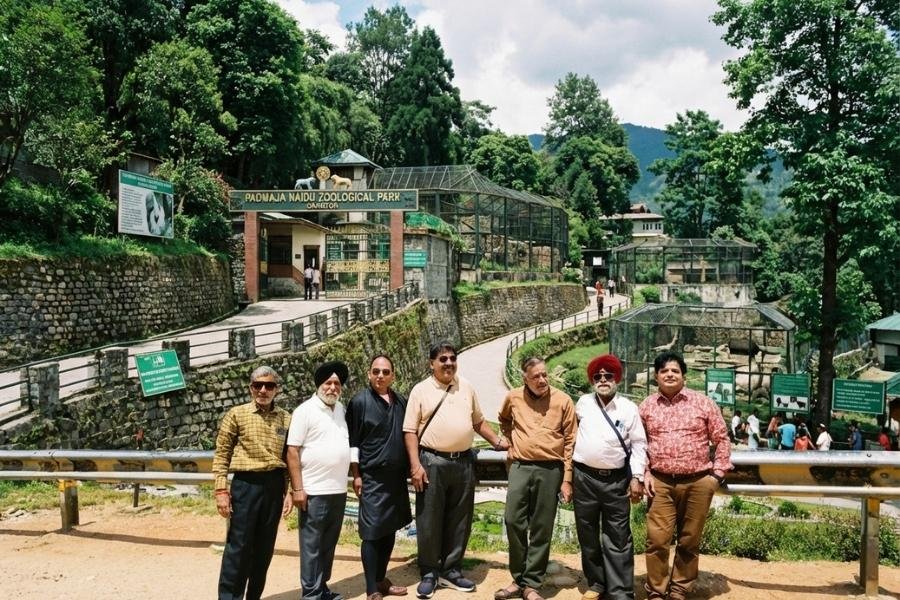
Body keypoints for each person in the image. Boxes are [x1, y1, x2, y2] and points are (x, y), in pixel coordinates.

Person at [403, 341, 507, 599]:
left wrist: (497, 442)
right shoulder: (420, 390)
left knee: (460, 519)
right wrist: (416, 465)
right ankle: (429, 571)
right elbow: (410, 431)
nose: (449, 363)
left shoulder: (466, 386)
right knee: (429, 518)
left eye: (452, 358)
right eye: (443, 359)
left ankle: (451, 569)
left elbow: (478, 421)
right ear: (432, 363)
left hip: (463, 462)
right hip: (432, 462)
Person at [639, 351, 732, 600]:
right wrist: (644, 472)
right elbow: (639, 444)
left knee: (689, 540)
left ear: (683, 376)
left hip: (698, 481)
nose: (670, 374)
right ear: (656, 376)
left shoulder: (702, 403)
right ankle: (657, 590)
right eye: (664, 371)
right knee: (657, 540)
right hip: (659, 481)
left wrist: (717, 474)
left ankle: (680, 589)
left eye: (675, 371)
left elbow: (722, 438)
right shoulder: (647, 406)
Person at [494, 357, 577, 600]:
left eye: (544, 375)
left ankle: (531, 584)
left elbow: (571, 440)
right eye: (536, 376)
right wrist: (509, 441)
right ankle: (518, 578)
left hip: (551, 470)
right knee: (513, 521)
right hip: (520, 466)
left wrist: (567, 478)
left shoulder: (563, 400)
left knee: (542, 527)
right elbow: (504, 419)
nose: (542, 380)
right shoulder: (514, 397)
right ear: (525, 379)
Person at [213, 366, 293, 600]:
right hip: (245, 486)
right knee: (238, 547)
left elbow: (289, 458)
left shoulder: (286, 418)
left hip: (274, 486)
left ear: (276, 389)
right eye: (257, 385)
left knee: (264, 548)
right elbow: (222, 454)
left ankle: (253, 597)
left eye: (269, 385)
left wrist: (288, 491)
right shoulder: (237, 414)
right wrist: (221, 490)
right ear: (250, 388)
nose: (263, 390)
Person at [572, 354, 647, 600]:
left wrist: (637, 477)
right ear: (592, 380)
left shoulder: (629, 408)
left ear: (617, 378)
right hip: (584, 477)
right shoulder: (582, 403)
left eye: (608, 375)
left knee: (618, 536)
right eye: (598, 376)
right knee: (587, 533)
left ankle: (621, 591)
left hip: (616, 481)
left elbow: (638, 444)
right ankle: (596, 583)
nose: (603, 379)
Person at [346, 355, 413, 600]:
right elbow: (353, 443)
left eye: (385, 372)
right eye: (376, 371)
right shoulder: (359, 402)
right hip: (371, 476)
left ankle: (381, 579)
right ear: (369, 374)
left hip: (395, 478)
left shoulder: (400, 401)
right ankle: (371, 587)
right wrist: (357, 475)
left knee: (389, 528)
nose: (380, 376)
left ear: (393, 375)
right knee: (372, 532)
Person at [286, 361, 352, 600]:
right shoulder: (305, 411)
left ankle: (322, 588)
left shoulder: (341, 410)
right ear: (319, 385)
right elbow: (292, 451)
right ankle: (311, 594)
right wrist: (298, 489)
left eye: (337, 383)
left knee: (328, 544)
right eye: (328, 383)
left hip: (338, 489)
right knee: (312, 546)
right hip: (313, 491)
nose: (333, 387)